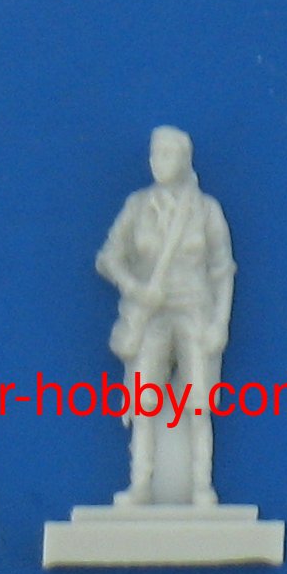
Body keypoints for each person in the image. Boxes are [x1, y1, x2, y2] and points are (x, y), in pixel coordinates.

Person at [96, 127, 235, 505]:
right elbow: (108, 258)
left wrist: (219, 323)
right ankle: (141, 483)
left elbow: (223, 270)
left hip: (194, 312)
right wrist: (135, 287)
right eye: (155, 154)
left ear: (184, 159)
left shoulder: (205, 210)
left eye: (167, 154)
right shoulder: (138, 206)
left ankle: (201, 485)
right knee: (143, 401)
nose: (158, 162)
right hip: (151, 315)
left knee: (199, 402)